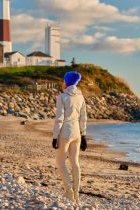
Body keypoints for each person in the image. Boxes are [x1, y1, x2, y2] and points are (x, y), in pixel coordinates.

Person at [52, 71, 88, 202]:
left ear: (67, 82)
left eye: (63, 80)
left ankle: (69, 192)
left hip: (65, 132)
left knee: (60, 163)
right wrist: (84, 135)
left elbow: (59, 118)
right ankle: (77, 194)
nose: (62, 82)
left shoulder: (62, 97)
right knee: (75, 163)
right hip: (77, 132)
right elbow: (83, 117)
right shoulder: (81, 96)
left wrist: (55, 136)